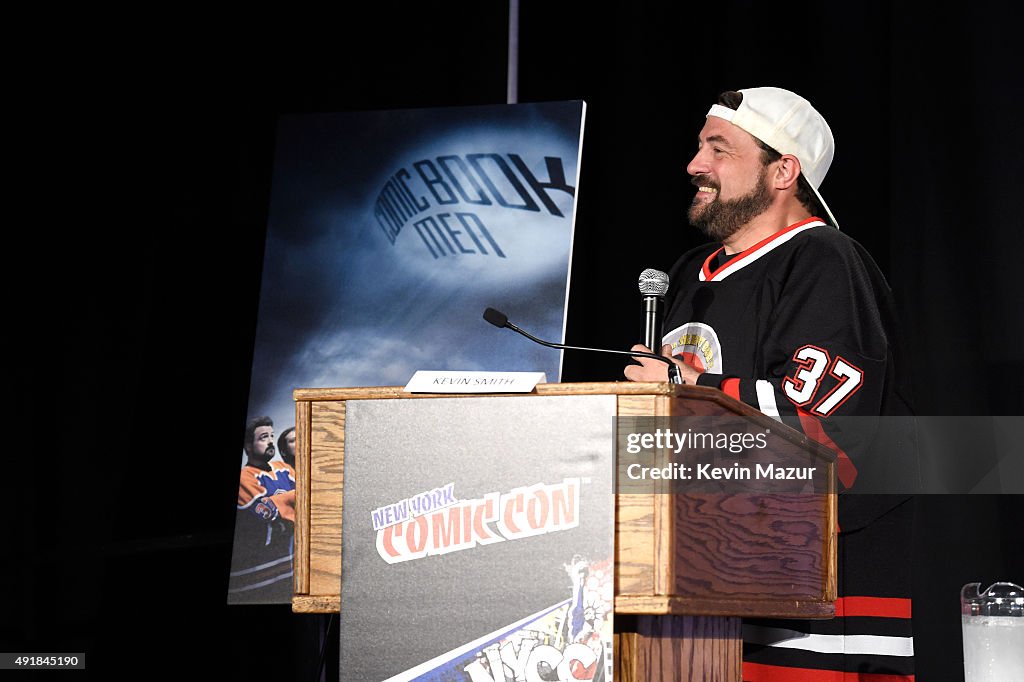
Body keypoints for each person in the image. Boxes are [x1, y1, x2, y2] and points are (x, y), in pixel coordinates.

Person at [624, 87, 916, 680]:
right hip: (698, 575)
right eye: (698, 146)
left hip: (811, 590)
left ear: (784, 170)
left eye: (719, 148)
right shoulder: (686, 273)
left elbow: (823, 427)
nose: (695, 165)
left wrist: (683, 389)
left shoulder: (826, 260)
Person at [228, 415, 297, 602]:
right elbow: (268, 514)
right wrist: (295, 500)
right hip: (254, 577)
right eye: (263, 437)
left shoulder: (284, 468)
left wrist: (280, 501)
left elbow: (312, 498)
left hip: (287, 568)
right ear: (248, 446)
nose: (270, 441)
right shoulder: (245, 478)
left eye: (272, 436)